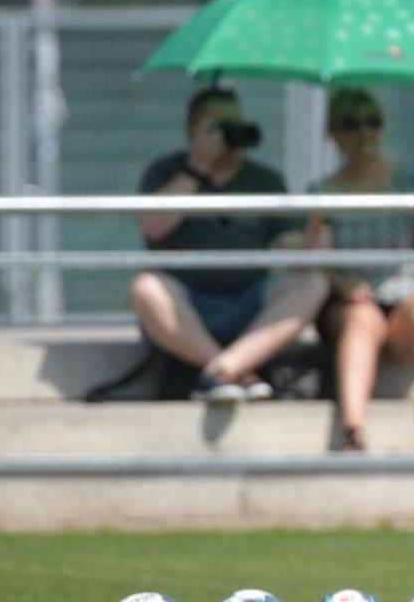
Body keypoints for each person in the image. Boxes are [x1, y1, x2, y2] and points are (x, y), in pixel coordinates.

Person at [129, 87, 329, 401]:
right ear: (193, 131)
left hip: (248, 303)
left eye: (236, 124)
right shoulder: (167, 171)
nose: (232, 134)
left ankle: (221, 370)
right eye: (220, 127)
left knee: (312, 284)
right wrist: (198, 168)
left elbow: (293, 250)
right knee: (145, 288)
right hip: (185, 305)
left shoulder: (264, 181)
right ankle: (237, 372)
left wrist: (315, 230)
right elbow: (152, 227)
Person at [310, 88, 414, 452]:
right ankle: (352, 429)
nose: (364, 132)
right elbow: (312, 259)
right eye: (351, 124)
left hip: (406, 297)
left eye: (372, 122)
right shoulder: (323, 190)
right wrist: (344, 286)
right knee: (362, 319)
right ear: (333, 132)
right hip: (353, 298)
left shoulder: (406, 181)